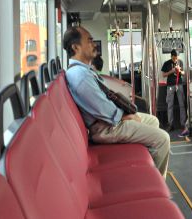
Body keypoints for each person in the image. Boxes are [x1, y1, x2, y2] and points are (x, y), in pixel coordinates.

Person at [63, 26, 170, 178]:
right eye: (90, 40)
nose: (94, 44)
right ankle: (156, 181)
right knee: (162, 139)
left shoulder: (83, 71)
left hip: (107, 122)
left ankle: (147, 168)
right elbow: (101, 107)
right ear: (75, 47)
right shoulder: (79, 76)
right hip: (105, 128)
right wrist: (124, 116)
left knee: (152, 121)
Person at [161, 49, 188, 137]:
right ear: (171, 56)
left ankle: (183, 123)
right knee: (170, 105)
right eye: (174, 57)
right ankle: (170, 124)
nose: (176, 59)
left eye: (177, 57)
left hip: (179, 85)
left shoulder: (180, 62)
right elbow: (163, 75)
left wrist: (180, 71)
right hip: (170, 86)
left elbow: (184, 73)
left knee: (182, 104)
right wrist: (172, 71)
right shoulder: (166, 63)